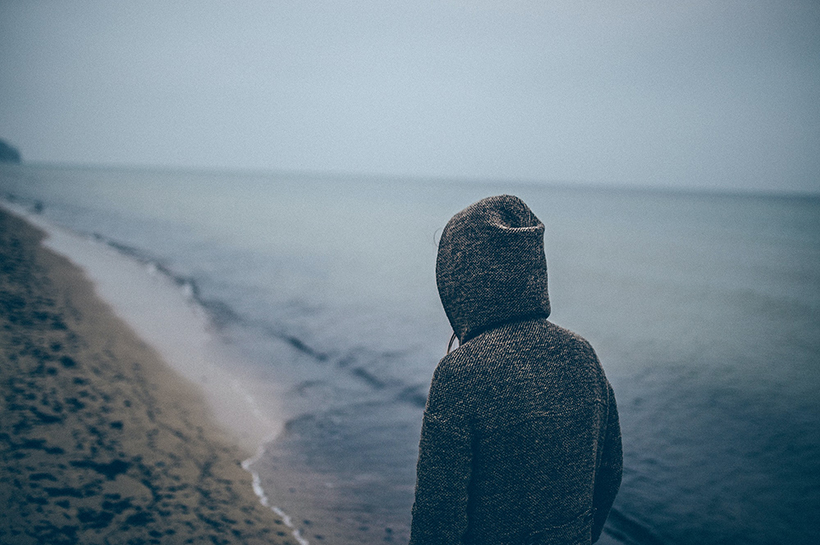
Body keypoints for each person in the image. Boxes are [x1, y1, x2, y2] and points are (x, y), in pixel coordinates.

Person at [410, 195, 622, 545]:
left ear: (460, 279)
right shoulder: (583, 356)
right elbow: (609, 475)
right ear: (533, 267)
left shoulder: (460, 374)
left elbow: (438, 517)